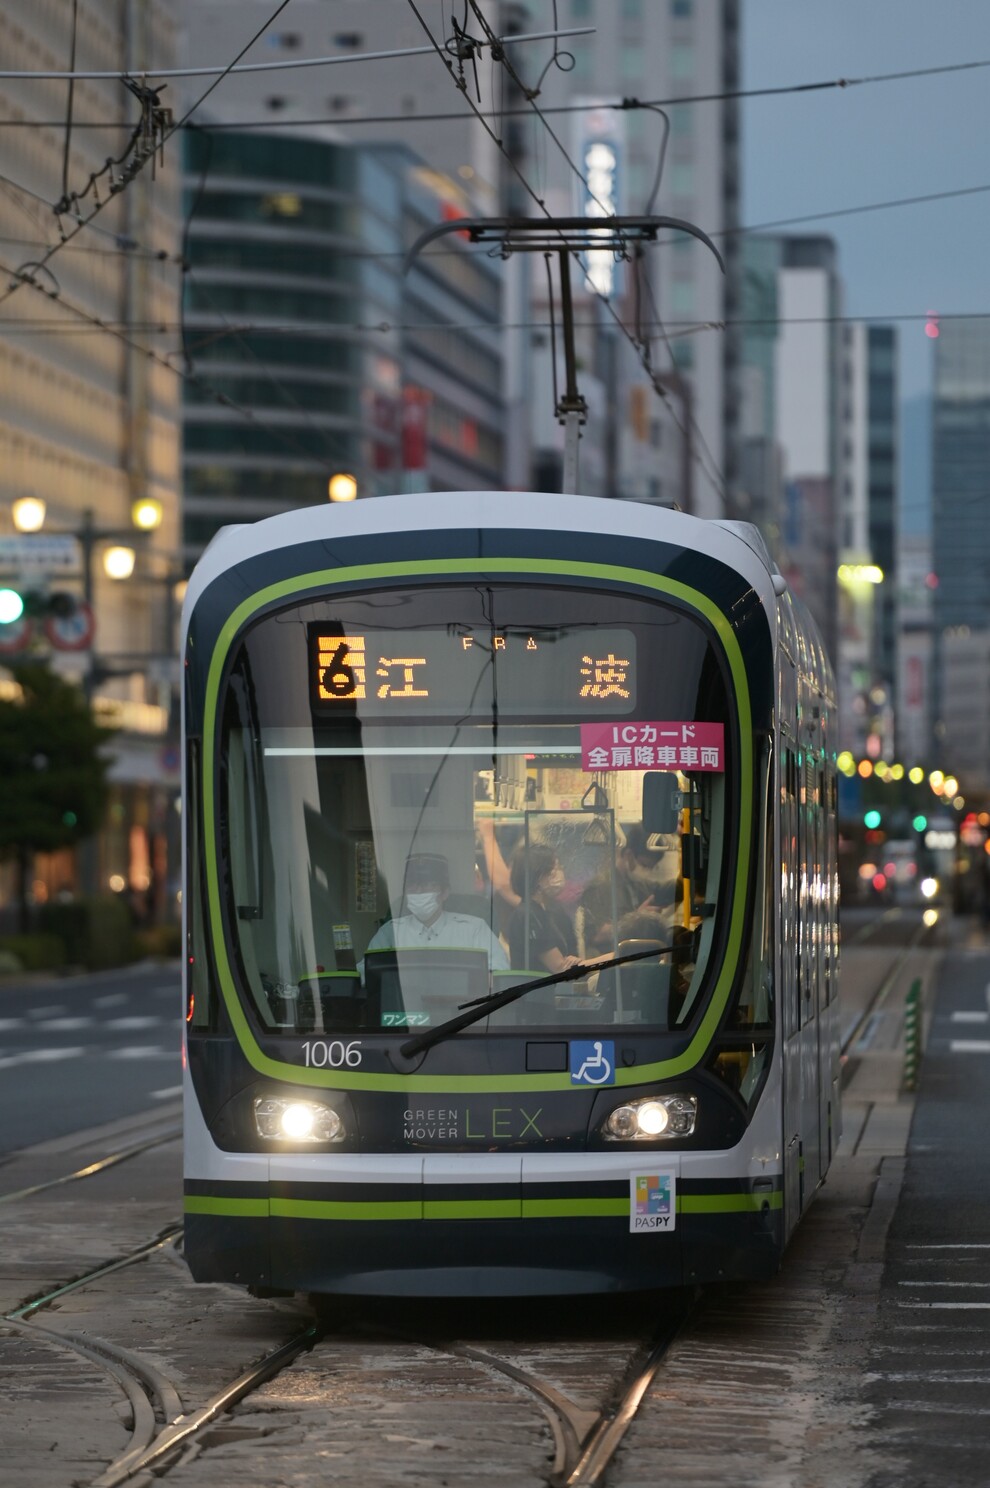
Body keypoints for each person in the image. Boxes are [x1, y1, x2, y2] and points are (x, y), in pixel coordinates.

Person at [365, 853, 509, 969]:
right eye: (412, 886)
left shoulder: (474, 930)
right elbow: (365, 973)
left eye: (428, 885)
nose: (419, 891)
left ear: (445, 893)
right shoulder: (390, 933)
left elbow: (499, 972)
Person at [578, 823, 678, 956]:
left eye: (651, 868)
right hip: (612, 959)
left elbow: (672, 889)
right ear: (628, 855)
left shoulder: (639, 884)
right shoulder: (601, 887)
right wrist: (637, 919)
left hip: (637, 955)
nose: (647, 871)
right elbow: (597, 935)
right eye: (644, 865)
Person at [507, 842, 583, 974]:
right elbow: (560, 967)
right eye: (554, 870)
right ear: (538, 878)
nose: (560, 874)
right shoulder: (527, 916)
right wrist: (609, 959)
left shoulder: (550, 911)